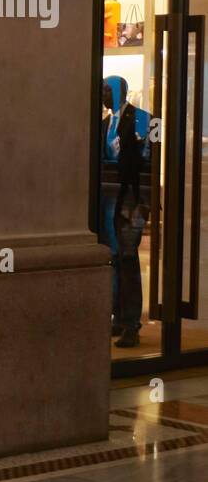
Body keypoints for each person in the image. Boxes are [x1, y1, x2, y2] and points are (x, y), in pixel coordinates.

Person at [99, 75, 150, 349]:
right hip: (108, 200)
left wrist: (146, 200)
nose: (103, 95)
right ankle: (117, 317)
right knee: (115, 258)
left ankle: (132, 324)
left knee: (129, 259)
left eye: (107, 90)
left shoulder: (143, 118)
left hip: (132, 200)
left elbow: (149, 160)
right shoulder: (104, 124)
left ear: (120, 91)